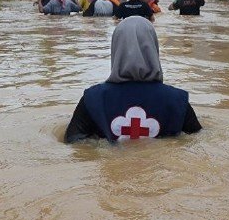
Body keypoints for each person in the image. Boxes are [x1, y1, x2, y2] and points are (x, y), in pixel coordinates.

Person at [64, 16, 202, 143]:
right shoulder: (177, 99)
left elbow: (73, 143)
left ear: (116, 48)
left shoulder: (92, 98)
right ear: (154, 48)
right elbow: (199, 140)